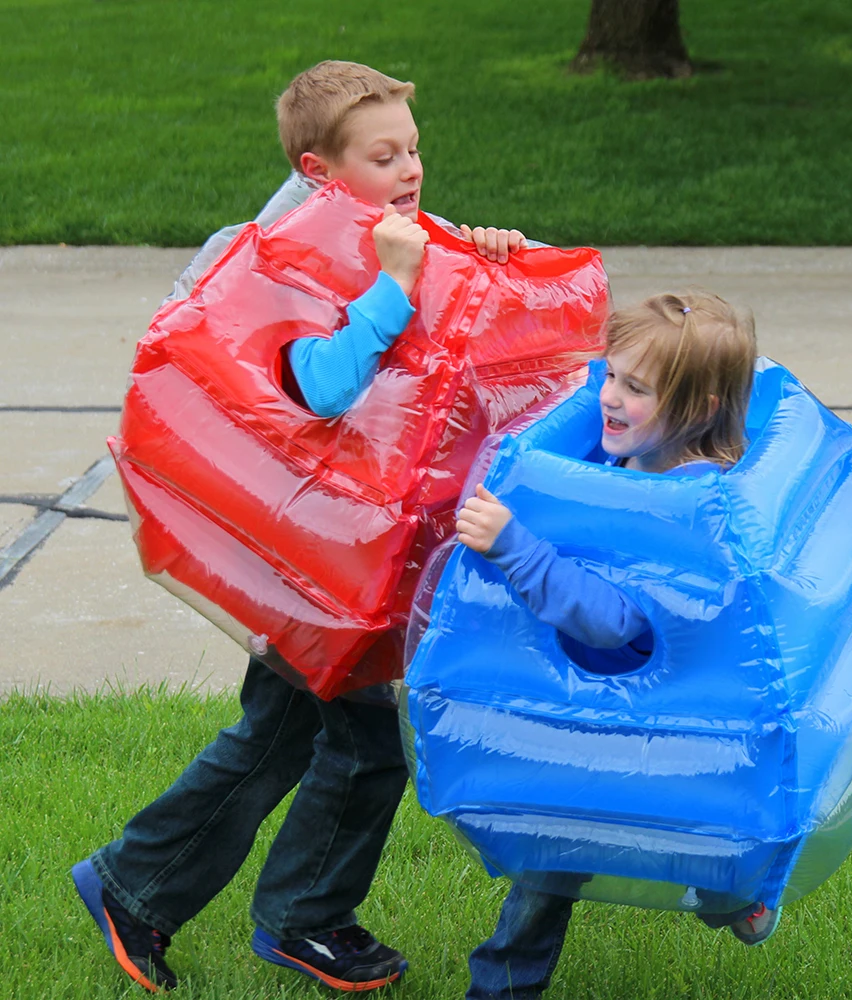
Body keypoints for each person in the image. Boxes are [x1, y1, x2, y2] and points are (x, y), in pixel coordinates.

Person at [72, 59, 527, 994]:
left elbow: (446, 328)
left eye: (415, 149)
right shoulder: (286, 250)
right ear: (323, 171)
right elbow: (317, 387)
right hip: (299, 556)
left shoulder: (368, 232)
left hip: (320, 551)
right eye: (384, 154)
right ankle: (296, 918)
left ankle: (142, 886)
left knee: (281, 737)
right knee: (362, 752)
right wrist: (398, 282)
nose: (410, 168)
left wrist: (476, 251)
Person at [454, 290, 780, 1000]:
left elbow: (617, 621)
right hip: (583, 715)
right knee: (547, 861)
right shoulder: (624, 462)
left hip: (664, 723)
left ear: (698, 410)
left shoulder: (691, 504)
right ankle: (501, 990)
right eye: (609, 376)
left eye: (636, 388)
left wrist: (518, 548)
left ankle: (739, 896)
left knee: (701, 851)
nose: (609, 398)